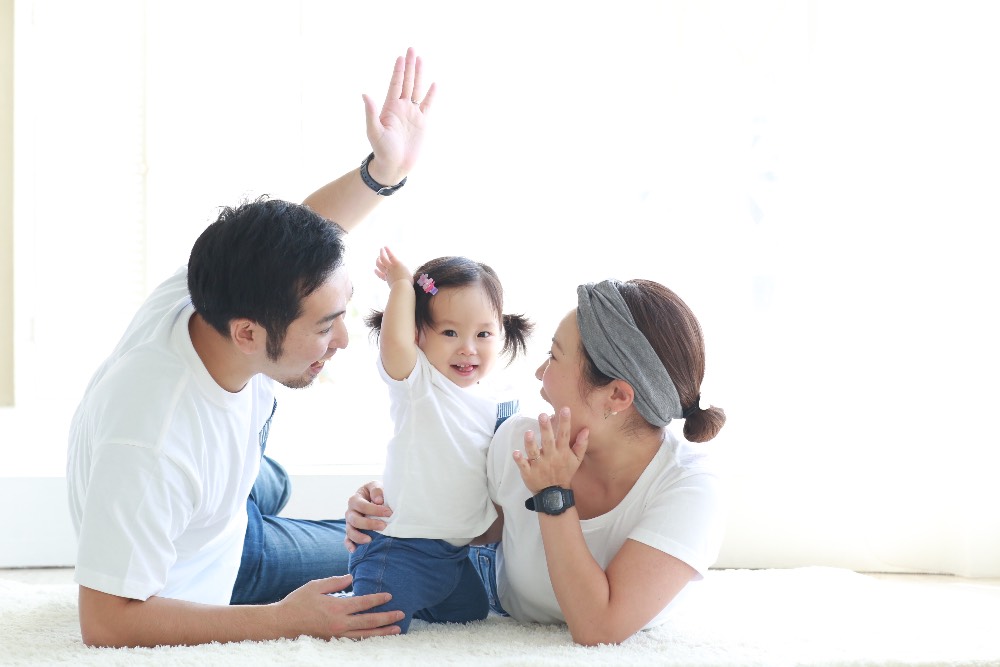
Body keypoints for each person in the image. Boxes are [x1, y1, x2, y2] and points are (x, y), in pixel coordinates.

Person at [65, 47, 435, 648]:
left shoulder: (213, 285)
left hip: (208, 488)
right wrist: (284, 620)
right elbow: (106, 622)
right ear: (248, 333)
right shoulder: (155, 444)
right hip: (219, 559)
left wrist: (383, 172)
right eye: (324, 326)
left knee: (271, 482)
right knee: (411, 562)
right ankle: (250, 513)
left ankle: (253, 490)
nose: (343, 340)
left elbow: (303, 232)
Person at [346, 278, 727, 645]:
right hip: (475, 570)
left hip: (492, 587)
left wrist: (553, 493)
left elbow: (598, 627)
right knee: (340, 558)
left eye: (555, 356)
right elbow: (468, 525)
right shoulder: (520, 438)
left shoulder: (690, 488)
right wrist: (385, 504)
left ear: (617, 396)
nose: (540, 373)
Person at [348, 247, 533, 633]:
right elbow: (394, 345)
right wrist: (401, 285)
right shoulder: (420, 385)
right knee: (373, 625)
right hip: (401, 549)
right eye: (450, 333)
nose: (468, 347)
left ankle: (423, 600)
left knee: (469, 614)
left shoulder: (492, 405)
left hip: (452, 555)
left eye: (483, 334)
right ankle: (362, 589)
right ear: (418, 335)